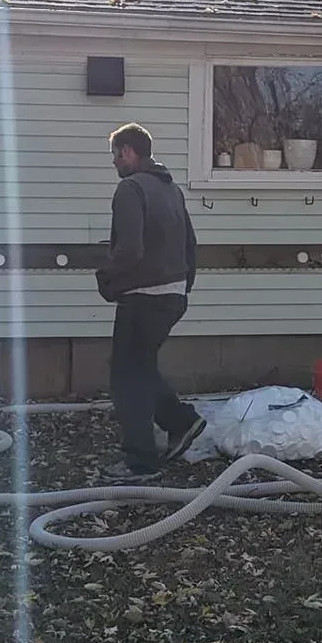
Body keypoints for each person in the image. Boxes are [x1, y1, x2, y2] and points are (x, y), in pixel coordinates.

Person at [96, 123, 206, 479]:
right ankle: (182, 422)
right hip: (172, 296)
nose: (114, 162)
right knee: (140, 368)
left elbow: (130, 250)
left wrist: (105, 277)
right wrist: (183, 288)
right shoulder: (171, 190)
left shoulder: (130, 188)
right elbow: (191, 245)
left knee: (127, 376)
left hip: (143, 297)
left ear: (128, 151)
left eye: (116, 154)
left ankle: (141, 460)